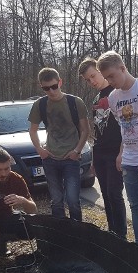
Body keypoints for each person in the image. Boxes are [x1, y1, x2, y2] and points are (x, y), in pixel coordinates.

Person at [97, 51, 138, 248]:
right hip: (128, 159)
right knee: (136, 206)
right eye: (106, 78)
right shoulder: (113, 98)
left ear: (123, 68)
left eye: (112, 75)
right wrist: (121, 153)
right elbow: (123, 127)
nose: (110, 81)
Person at [28, 67, 90, 221]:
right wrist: (39, 150)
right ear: (41, 87)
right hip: (50, 158)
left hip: (71, 159)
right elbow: (32, 130)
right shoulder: (39, 104)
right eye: (46, 88)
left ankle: (77, 235)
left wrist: (77, 150)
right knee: (56, 201)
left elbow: (85, 130)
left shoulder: (75, 102)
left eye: (54, 86)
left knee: (73, 200)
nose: (51, 91)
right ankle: (60, 235)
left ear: (60, 82)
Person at [79, 57, 127, 239]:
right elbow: (97, 132)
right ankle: (112, 233)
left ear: (100, 70)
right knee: (106, 195)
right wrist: (92, 159)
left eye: (93, 76)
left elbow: (126, 127)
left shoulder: (118, 91)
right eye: (87, 80)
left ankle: (121, 235)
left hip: (116, 152)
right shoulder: (96, 98)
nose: (92, 81)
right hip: (99, 154)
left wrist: (122, 152)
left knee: (115, 194)